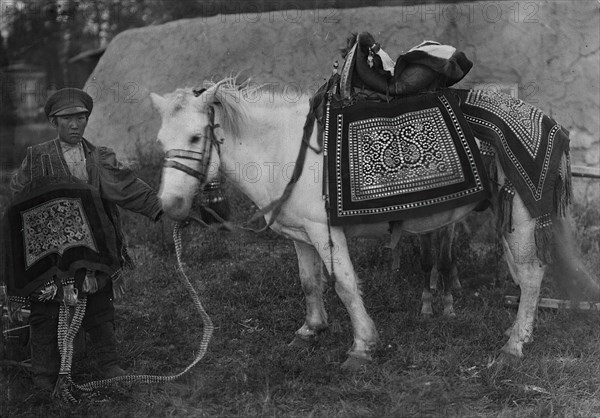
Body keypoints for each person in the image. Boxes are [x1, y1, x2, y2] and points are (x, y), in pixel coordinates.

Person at [3, 88, 163, 391]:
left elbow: (127, 187)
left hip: (94, 250)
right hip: (50, 253)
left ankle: (108, 363)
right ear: (54, 122)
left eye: (81, 118)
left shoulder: (98, 157)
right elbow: (17, 198)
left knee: (100, 303)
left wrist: (161, 208)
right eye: (67, 120)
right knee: (46, 312)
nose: (75, 125)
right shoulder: (37, 158)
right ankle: (43, 375)